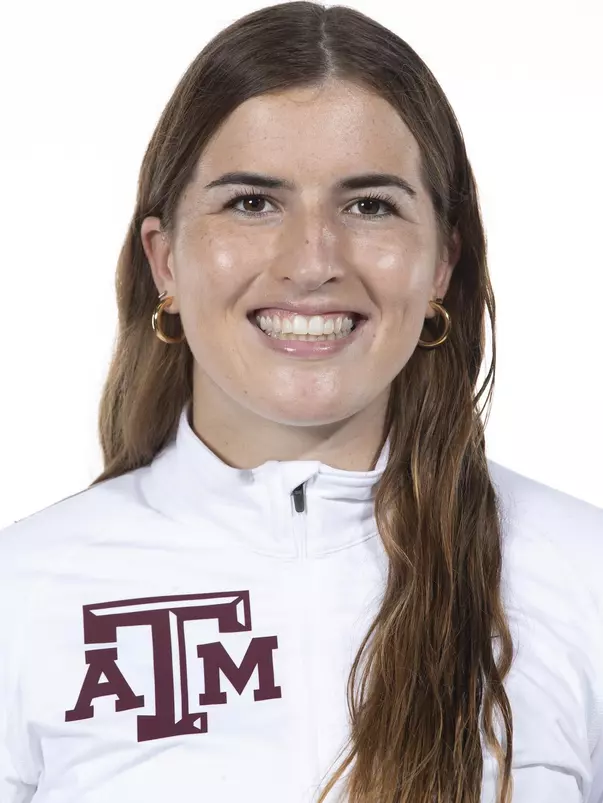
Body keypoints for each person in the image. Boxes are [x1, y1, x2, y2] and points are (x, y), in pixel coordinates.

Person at [1, 2, 602, 801]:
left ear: (440, 264)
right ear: (165, 260)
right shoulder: (23, 593)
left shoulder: (582, 572)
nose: (313, 260)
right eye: (252, 202)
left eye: (369, 205)